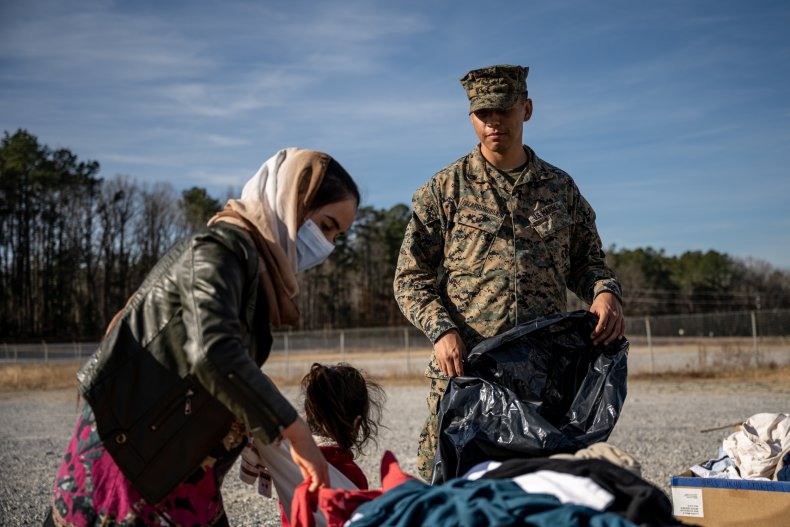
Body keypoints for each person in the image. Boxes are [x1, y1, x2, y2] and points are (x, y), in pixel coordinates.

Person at [46, 148, 360, 526]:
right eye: (326, 225)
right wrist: (293, 431)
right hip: (132, 466)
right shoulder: (220, 251)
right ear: (292, 200)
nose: (327, 244)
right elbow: (212, 351)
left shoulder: (253, 272)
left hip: (179, 467)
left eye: (337, 235)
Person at [393, 64, 625, 481]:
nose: (494, 122)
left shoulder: (560, 188)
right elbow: (409, 278)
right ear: (471, 118)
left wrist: (605, 292)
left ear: (527, 109)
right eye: (483, 113)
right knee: (447, 490)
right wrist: (442, 331)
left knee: (536, 491)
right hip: (466, 374)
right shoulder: (445, 190)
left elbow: (586, 263)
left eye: (504, 110)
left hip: (542, 378)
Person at [240, 362, 385, 526]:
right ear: (357, 423)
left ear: (307, 414)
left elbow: (259, 383)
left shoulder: (289, 456)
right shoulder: (351, 473)